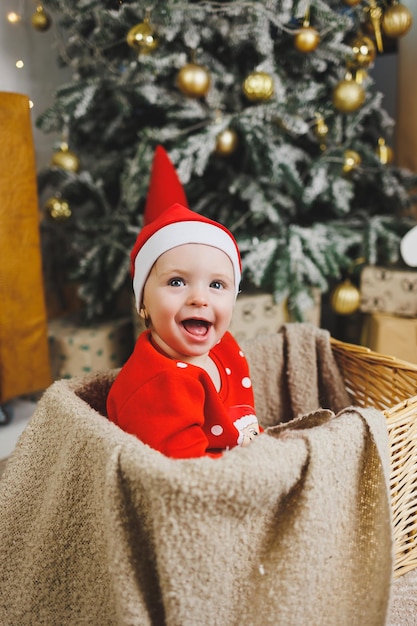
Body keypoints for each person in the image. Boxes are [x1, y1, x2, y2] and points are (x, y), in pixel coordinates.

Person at [106, 146, 260, 459]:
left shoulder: (224, 348)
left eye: (217, 284)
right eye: (177, 282)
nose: (199, 298)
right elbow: (184, 483)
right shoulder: (159, 386)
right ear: (143, 305)